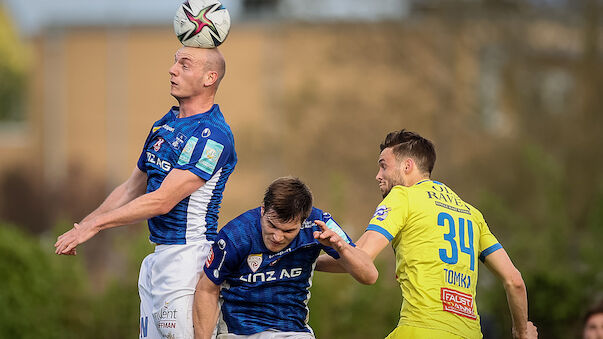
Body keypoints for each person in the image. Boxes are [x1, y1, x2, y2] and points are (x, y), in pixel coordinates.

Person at [54, 46, 237, 339]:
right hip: (157, 261)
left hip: (188, 260)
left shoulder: (213, 135)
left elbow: (163, 200)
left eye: (185, 65)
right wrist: (84, 225)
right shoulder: (163, 125)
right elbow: (131, 188)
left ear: (209, 78)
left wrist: (96, 225)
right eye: (174, 61)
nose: (172, 69)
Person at [353, 130, 537, 338]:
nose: (378, 175)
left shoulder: (403, 196)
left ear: (407, 166)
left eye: (383, 165)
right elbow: (515, 281)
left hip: (419, 330)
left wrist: (312, 259)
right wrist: (522, 332)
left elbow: (361, 257)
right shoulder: (472, 214)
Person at [193, 177, 378, 339]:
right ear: (263, 210)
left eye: (288, 231)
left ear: (304, 219)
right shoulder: (236, 235)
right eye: (272, 225)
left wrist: (341, 248)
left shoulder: (319, 224)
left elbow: (369, 275)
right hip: (241, 332)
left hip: (293, 332)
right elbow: (207, 290)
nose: (277, 237)